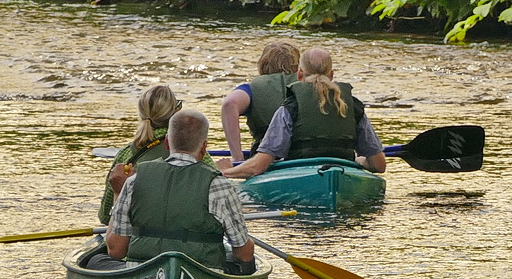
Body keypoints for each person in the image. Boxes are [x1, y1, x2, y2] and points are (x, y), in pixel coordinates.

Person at [87, 109, 255, 274]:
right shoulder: (220, 185)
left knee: (95, 260)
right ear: (204, 148)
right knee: (246, 261)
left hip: (142, 272)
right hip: (201, 274)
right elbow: (244, 254)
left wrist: (117, 194)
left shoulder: (134, 181)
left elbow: (116, 251)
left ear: (167, 143)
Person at [217, 47, 387, 179]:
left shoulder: (290, 106)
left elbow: (258, 166)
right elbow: (379, 165)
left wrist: (227, 171)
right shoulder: (353, 105)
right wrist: (359, 161)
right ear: (332, 75)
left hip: (298, 173)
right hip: (343, 170)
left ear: (299, 74)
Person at [97, 84, 215, 225]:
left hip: (139, 238)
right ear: (176, 113)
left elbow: (105, 217)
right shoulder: (194, 149)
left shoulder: (125, 155)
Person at [220, 39, 300, 164]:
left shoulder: (251, 89)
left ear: (263, 65)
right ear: (299, 67)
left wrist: (237, 157)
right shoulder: (312, 86)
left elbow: (229, 104)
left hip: (264, 161)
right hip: (304, 156)